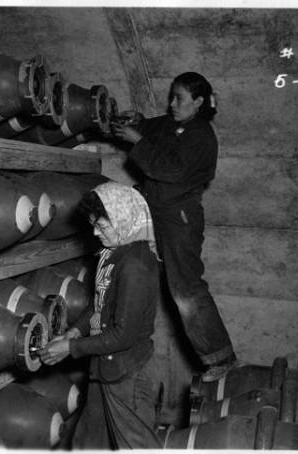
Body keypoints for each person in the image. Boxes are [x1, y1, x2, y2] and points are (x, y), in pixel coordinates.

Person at [111, 71, 236, 382]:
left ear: (197, 102)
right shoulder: (175, 124)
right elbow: (153, 129)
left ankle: (221, 357)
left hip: (178, 216)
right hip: (154, 208)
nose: (171, 104)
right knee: (127, 266)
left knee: (185, 288)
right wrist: (136, 121)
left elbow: (169, 169)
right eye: (171, 97)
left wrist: (138, 141)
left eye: (178, 99)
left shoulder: (201, 136)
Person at [39, 181, 161, 449]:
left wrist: (70, 348)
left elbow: (123, 335)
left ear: (124, 220)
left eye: (103, 226)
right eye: (94, 224)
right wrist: (75, 330)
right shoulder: (113, 253)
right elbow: (100, 304)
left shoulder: (136, 266)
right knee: (89, 443)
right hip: (105, 367)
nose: (95, 232)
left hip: (126, 373)